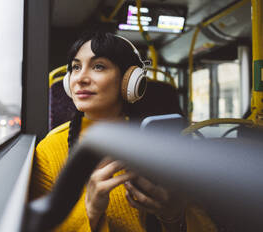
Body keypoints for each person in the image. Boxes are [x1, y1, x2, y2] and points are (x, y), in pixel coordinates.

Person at [29, 31, 217, 232]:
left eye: (98, 66)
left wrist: (173, 216)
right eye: (76, 67)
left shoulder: (160, 145)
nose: (80, 78)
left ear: (129, 80)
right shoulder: (48, 150)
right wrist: (90, 211)